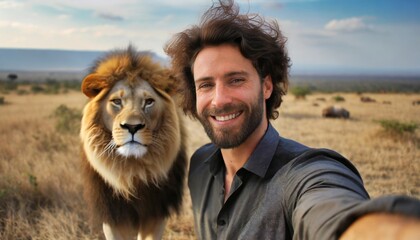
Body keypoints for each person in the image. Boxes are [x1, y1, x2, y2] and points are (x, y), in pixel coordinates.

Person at [164, 0, 420, 239]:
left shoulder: (304, 175)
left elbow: (332, 211)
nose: (219, 100)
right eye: (206, 85)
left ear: (266, 86)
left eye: (236, 80)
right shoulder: (199, 166)